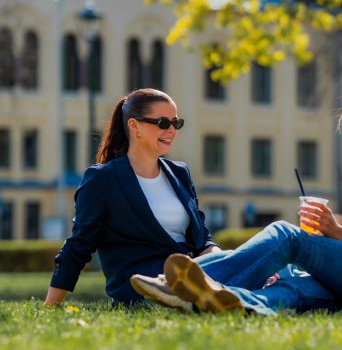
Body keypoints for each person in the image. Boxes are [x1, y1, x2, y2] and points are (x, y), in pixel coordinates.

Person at [132, 86, 342, 316]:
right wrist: (327, 240)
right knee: (292, 283)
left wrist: (336, 233)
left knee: (286, 235)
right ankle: (234, 303)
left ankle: (178, 283)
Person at [45, 88, 221, 308]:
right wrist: (50, 306)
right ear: (134, 126)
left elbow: (201, 238)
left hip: (196, 274)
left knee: (277, 234)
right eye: (163, 123)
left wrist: (220, 258)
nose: (171, 131)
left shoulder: (180, 173)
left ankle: (240, 297)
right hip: (144, 289)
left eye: (176, 123)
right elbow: (78, 246)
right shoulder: (103, 179)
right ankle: (231, 295)